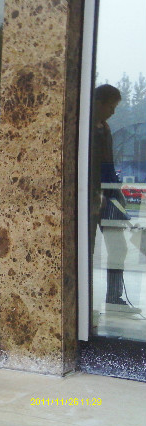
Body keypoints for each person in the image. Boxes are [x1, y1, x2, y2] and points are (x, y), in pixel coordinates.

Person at [89, 84, 140, 314]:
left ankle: (114, 298)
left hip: (109, 195)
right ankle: (86, 300)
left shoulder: (105, 129)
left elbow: (107, 166)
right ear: (98, 103)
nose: (113, 111)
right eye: (111, 106)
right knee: (87, 249)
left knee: (118, 248)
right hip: (91, 198)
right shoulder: (86, 129)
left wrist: (115, 192)